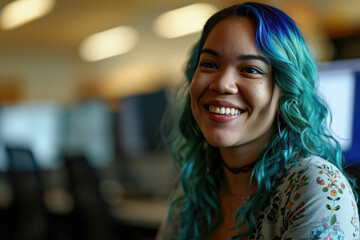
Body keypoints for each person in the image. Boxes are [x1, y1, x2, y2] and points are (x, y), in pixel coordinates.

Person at [157, 2, 359, 239]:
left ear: (287, 91)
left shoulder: (316, 186)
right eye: (209, 64)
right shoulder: (195, 187)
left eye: (250, 69)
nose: (222, 83)